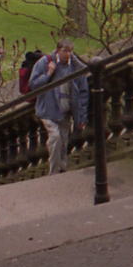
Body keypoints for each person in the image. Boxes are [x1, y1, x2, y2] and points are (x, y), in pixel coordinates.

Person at [29, 40, 89, 175]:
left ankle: (62, 168)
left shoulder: (76, 67)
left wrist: (82, 117)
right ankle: (54, 172)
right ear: (57, 50)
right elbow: (33, 85)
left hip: (66, 112)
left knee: (63, 142)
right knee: (55, 138)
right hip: (48, 111)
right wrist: (49, 74)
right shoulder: (44, 63)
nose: (68, 54)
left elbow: (83, 93)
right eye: (65, 51)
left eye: (70, 51)